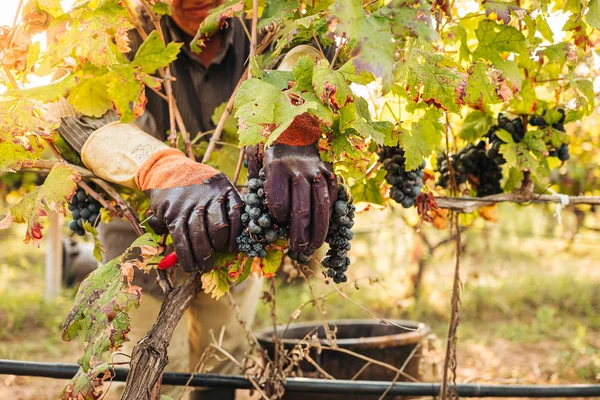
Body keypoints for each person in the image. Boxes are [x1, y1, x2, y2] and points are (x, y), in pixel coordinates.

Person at [54, 1, 336, 399]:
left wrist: (295, 122)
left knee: (220, 366)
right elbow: (73, 112)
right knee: (143, 368)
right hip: (140, 238)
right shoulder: (120, 33)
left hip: (236, 234)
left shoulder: (268, 24)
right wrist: (163, 169)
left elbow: (309, 51)